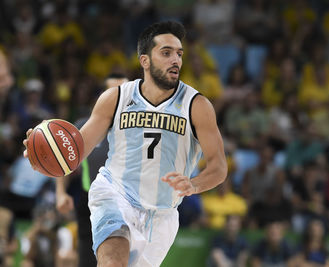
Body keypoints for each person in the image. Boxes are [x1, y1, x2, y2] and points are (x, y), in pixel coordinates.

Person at [24, 21, 227, 267]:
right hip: (115, 194)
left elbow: (219, 168)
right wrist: (45, 154)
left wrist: (193, 185)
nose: (176, 60)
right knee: (112, 261)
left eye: (179, 54)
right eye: (166, 53)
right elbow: (76, 152)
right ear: (145, 60)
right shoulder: (116, 98)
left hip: (162, 214)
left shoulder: (197, 106)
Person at [56, 73, 129, 267]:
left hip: (129, 204)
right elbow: (65, 163)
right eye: (114, 91)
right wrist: (61, 193)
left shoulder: (137, 129)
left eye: (125, 90)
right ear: (104, 95)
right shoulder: (84, 126)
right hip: (90, 203)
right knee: (88, 262)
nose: (120, 96)